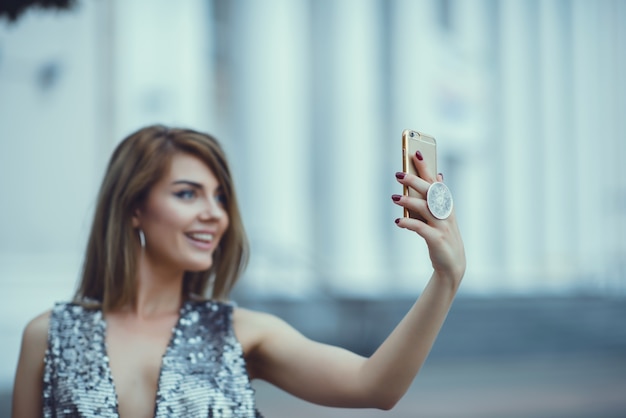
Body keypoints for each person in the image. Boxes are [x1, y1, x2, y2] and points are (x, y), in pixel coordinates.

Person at [12, 124, 466, 417]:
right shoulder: (48, 335)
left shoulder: (243, 332)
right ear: (134, 208)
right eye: (188, 194)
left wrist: (445, 280)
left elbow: (375, 387)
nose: (214, 214)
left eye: (220, 197)